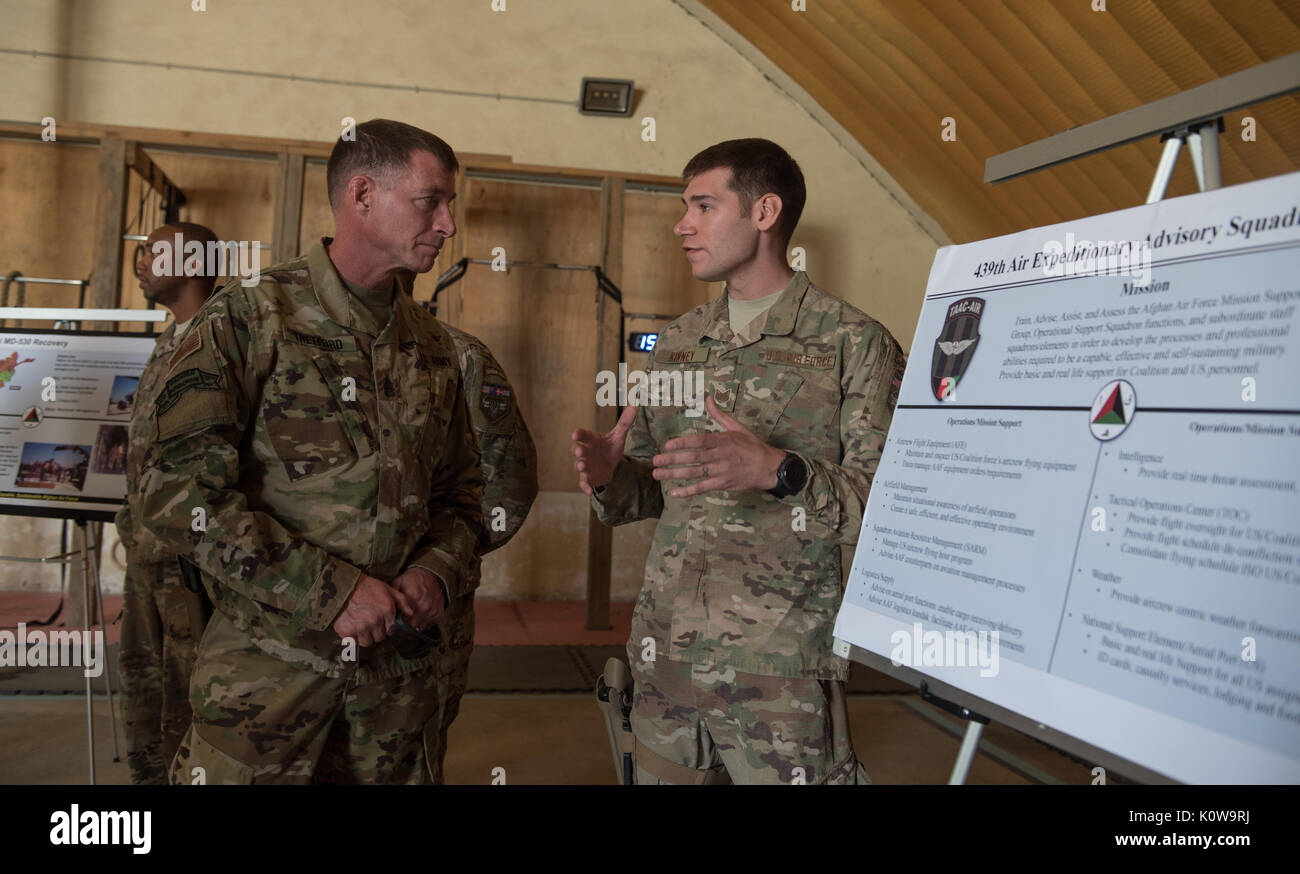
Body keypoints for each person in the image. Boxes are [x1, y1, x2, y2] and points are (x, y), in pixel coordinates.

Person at [137, 119, 484, 784]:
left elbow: (465, 493)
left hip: (394, 696)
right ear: (361, 196)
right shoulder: (250, 318)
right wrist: (331, 590)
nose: (448, 224)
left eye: (449, 206)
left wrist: (438, 569)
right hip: (268, 689)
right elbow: (176, 493)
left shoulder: (434, 347)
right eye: (430, 201)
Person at [571, 138, 906, 785]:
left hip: (778, 667)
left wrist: (780, 471)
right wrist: (615, 479)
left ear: (764, 212)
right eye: (684, 207)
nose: (682, 225)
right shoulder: (677, 342)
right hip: (667, 652)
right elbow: (653, 488)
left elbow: (888, 508)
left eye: (703, 205)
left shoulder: (853, 344)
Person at [116, 221, 220, 784]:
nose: (141, 260)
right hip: (146, 553)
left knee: (195, 692)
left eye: (155, 251)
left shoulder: (224, 336)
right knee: (142, 681)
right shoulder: (169, 339)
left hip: (193, 562)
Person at [419, 311, 539, 779]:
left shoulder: (458, 355)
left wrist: (434, 566)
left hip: (418, 619)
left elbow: (507, 486)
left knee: (412, 757)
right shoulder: (283, 338)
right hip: (303, 617)